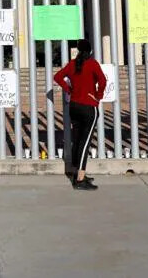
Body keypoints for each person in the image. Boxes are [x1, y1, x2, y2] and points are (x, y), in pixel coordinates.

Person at [54, 39, 106, 191]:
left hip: (74, 106)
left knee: (77, 141)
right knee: (85, 143)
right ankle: (80, 179)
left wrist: (69, 89)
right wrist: (98, 95)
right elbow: (102, 81)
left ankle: (77, 172)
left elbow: (57, 77)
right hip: (89, 107)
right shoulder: (92, 63)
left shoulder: (73, 64)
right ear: (90, 50)